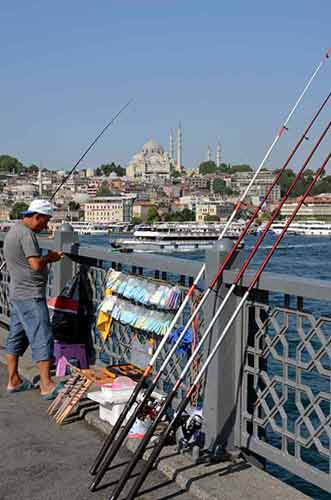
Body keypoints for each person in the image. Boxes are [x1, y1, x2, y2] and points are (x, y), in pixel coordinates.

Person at [4, 199, 64, 399]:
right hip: (30, 294)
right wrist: (50, 257)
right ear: (36, 216)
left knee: (16, 336)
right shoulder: (27, 235)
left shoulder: (13, 231)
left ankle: (13, 380)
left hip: (17, 293)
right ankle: (46, 385)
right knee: (42, 336)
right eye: (45, 221)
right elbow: (36, 264)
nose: (45, 226)